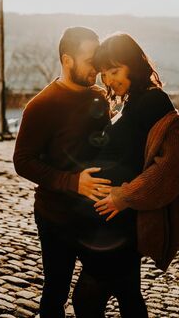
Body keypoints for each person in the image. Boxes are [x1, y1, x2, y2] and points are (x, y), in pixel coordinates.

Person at [72, 33, 179, 318]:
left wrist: (124, 196)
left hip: (119, 224)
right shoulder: (135, 100)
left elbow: (173, 168)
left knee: (87, 299)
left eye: (115, 71)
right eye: (105, 74)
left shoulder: (153, 102)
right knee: (127, 294)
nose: (110, 80)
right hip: (114, 224)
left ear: (134, 66)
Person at [13, 26, 112, 318]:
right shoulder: (41, 106)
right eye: (89, 59)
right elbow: (23, 160)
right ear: (67, 60)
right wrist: (72, 182)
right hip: (56, 217)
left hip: (96, 214)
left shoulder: (100, 96)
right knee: (55, 291)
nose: (96, 66)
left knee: (99, 285)